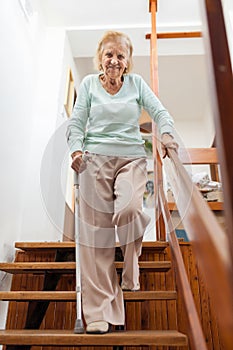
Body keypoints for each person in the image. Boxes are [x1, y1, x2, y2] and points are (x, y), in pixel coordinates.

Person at [66, 31, 178, 334]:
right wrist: (76, 148)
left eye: (120, 55)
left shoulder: (136, 85)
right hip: (93, 160)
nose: (114, 60)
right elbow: (77, 121)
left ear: (127, 61)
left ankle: (131, 266)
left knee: (129, 209)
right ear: (100, 59)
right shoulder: (89, 84)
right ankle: (99, 313)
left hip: (131, 158)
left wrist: (166, 134)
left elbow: (160, 112)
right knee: (97, 240)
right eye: (108, 54)